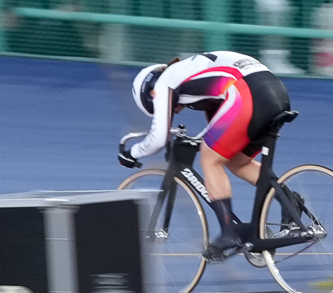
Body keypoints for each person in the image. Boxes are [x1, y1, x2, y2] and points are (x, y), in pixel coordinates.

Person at [120, 51, 294, 258]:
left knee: (209, 159)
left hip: (247, 91)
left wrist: (133, 152)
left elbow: (159, 139)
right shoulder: (193, 78)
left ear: (151, 94)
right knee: (235, 160)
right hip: (274, 91)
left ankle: (229, 233)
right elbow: (219, 126)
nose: (175, 112)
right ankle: (290, 201)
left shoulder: (163, 83)